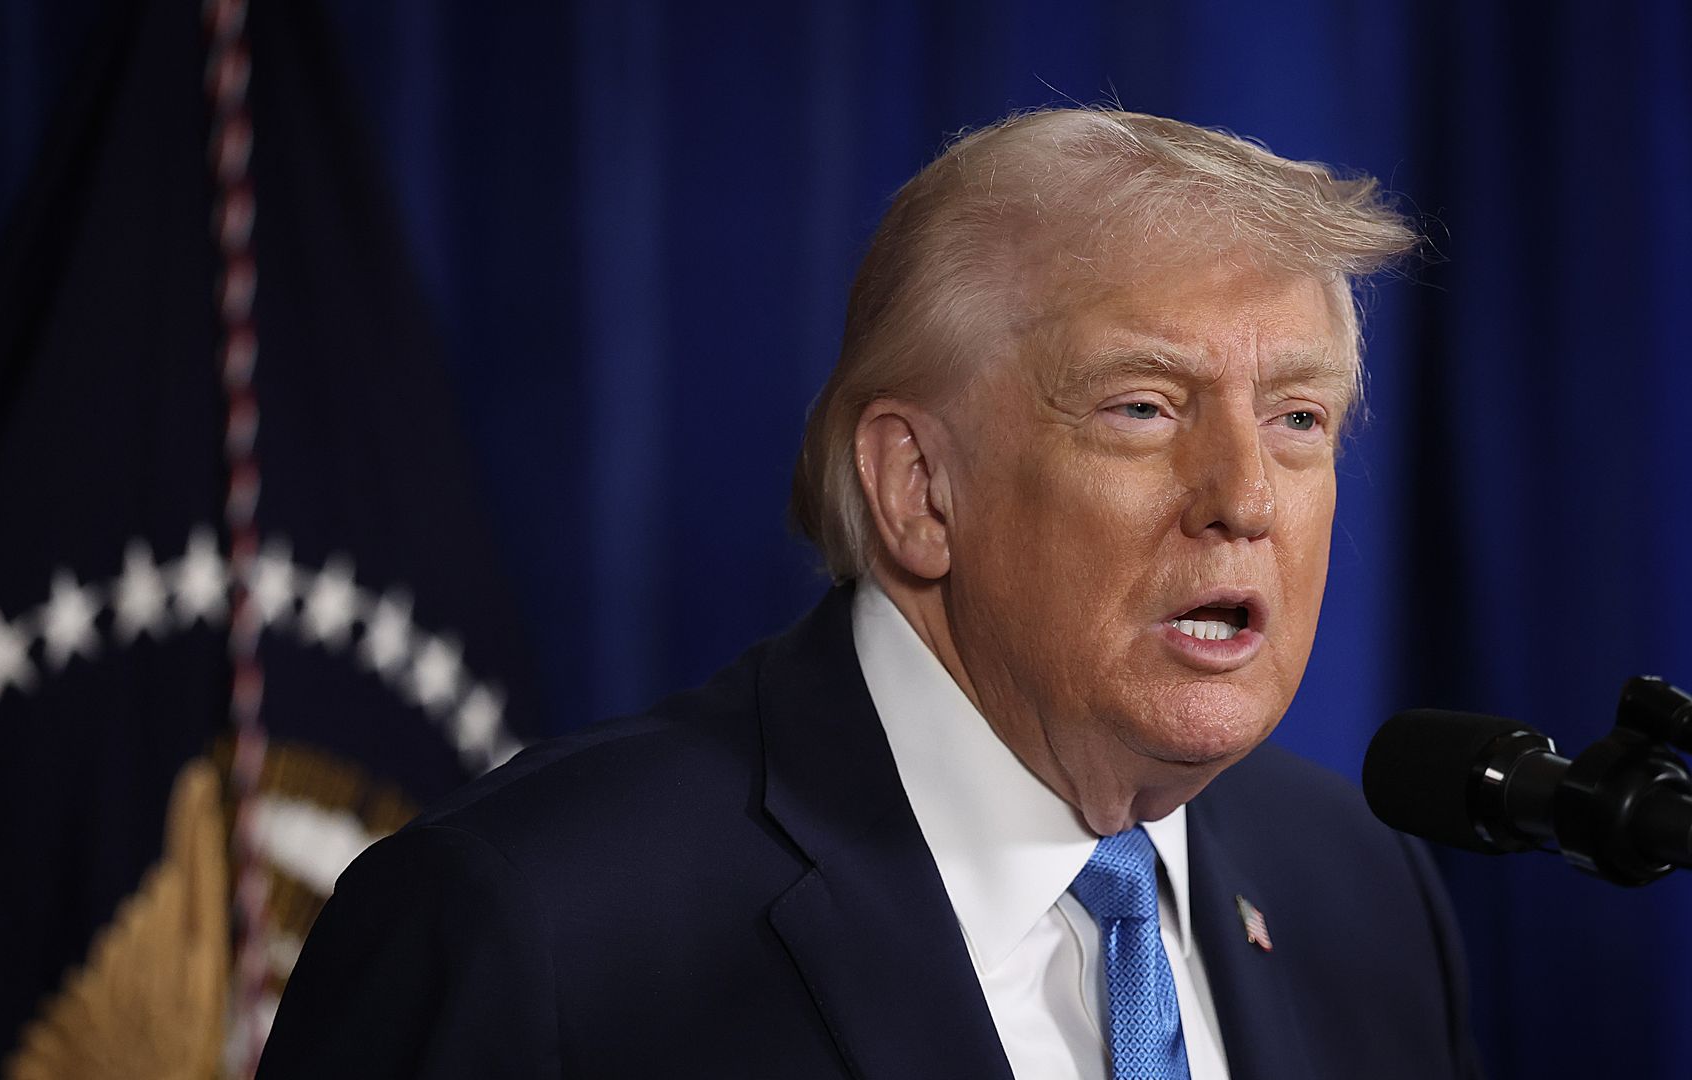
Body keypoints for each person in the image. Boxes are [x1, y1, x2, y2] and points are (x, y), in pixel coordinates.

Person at [258, 108, 1483, 1080]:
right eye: (1144, 407)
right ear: (918, 489)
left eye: (1299, 419)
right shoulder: (533, 933)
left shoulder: (1359, 891)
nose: (1245, 497)